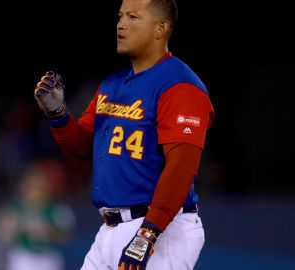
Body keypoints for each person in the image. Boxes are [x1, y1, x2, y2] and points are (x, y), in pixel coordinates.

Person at [34, 0, 214, 269]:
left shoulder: (180, 86)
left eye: (132, 16)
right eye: (120, 16)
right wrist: (57, 114)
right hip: (109, 229)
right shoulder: (113, 83)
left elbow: (181, 168)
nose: (120, 24)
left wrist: (147, 234)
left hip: (161, 228)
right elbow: (84, 149)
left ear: (160, 28)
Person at [0, 159, 76, 270]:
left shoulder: (57, 209)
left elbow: (66, 236)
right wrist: (21, 227)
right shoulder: (14, 209)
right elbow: (3, 235)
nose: (35, 191)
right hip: (23, 256)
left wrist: (48, 230)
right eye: (32, 186)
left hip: (47, 256)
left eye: (38, 187)